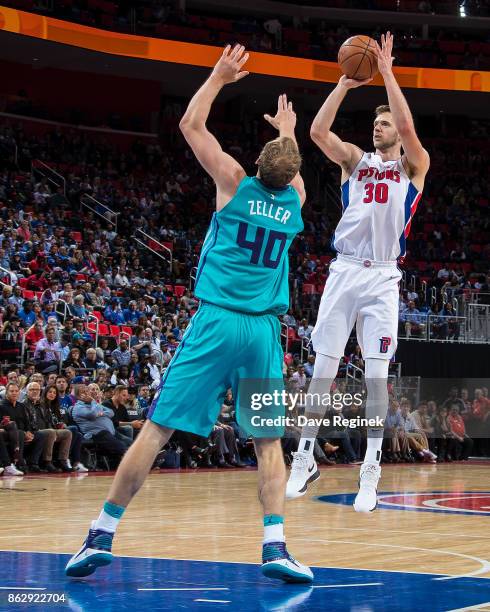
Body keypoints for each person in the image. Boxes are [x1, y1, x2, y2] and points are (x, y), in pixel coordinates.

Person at [66, 45, 311, 583]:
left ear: (255, 166)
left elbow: (190, 122)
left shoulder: (232, 182)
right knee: (268, 442)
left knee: (156, 430)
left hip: (218, 320)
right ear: (289, 169)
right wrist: (290, 131)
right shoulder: (295, 201)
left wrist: (220, 76)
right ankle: (275, 545)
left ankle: (100, 534)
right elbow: (291, 171)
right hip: (265, 331)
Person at [286, 32, 430, 513]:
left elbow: (408, 128)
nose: (379, 128)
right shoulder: (355, 161)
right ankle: (304, 455)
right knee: (322, 371)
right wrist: (345, 85)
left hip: (384, 279)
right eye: (376, 124)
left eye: (385, 124)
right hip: (345, 270)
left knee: (374, 376)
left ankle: (371, 467)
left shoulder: (414, 165)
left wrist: (387, 73)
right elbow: (318, 134)